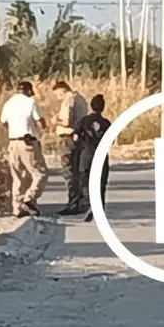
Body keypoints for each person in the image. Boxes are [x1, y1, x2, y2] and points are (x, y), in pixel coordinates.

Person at [0, 81, 49, 217]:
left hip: (13, 142)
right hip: (28, 142)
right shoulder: (30, 103)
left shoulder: (8, 103)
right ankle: (29, 197)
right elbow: (41, 121)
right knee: (40, 173)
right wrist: (40, 127)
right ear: (28, 91)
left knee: (18, 176)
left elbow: (4, 122)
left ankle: (17, 207)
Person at [52, 80, 89, 215]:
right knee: (78, 170)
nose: (57, 98)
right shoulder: (81, 100)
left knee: (69, 172)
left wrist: (56, 121)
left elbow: (67, 122)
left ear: (62, 90)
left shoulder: (68, 101)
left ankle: (73, 203)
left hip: (68, 138)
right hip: (79, 138)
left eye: (57, 94)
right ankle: (81, 202)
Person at [75, 94, 112, 223]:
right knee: (101, 183)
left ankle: (89, 202)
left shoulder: (84, 121)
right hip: (101, 156)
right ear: (103, 107)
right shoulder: (106, 123)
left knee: (85, 180)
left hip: (87, 155)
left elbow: (76, 137)